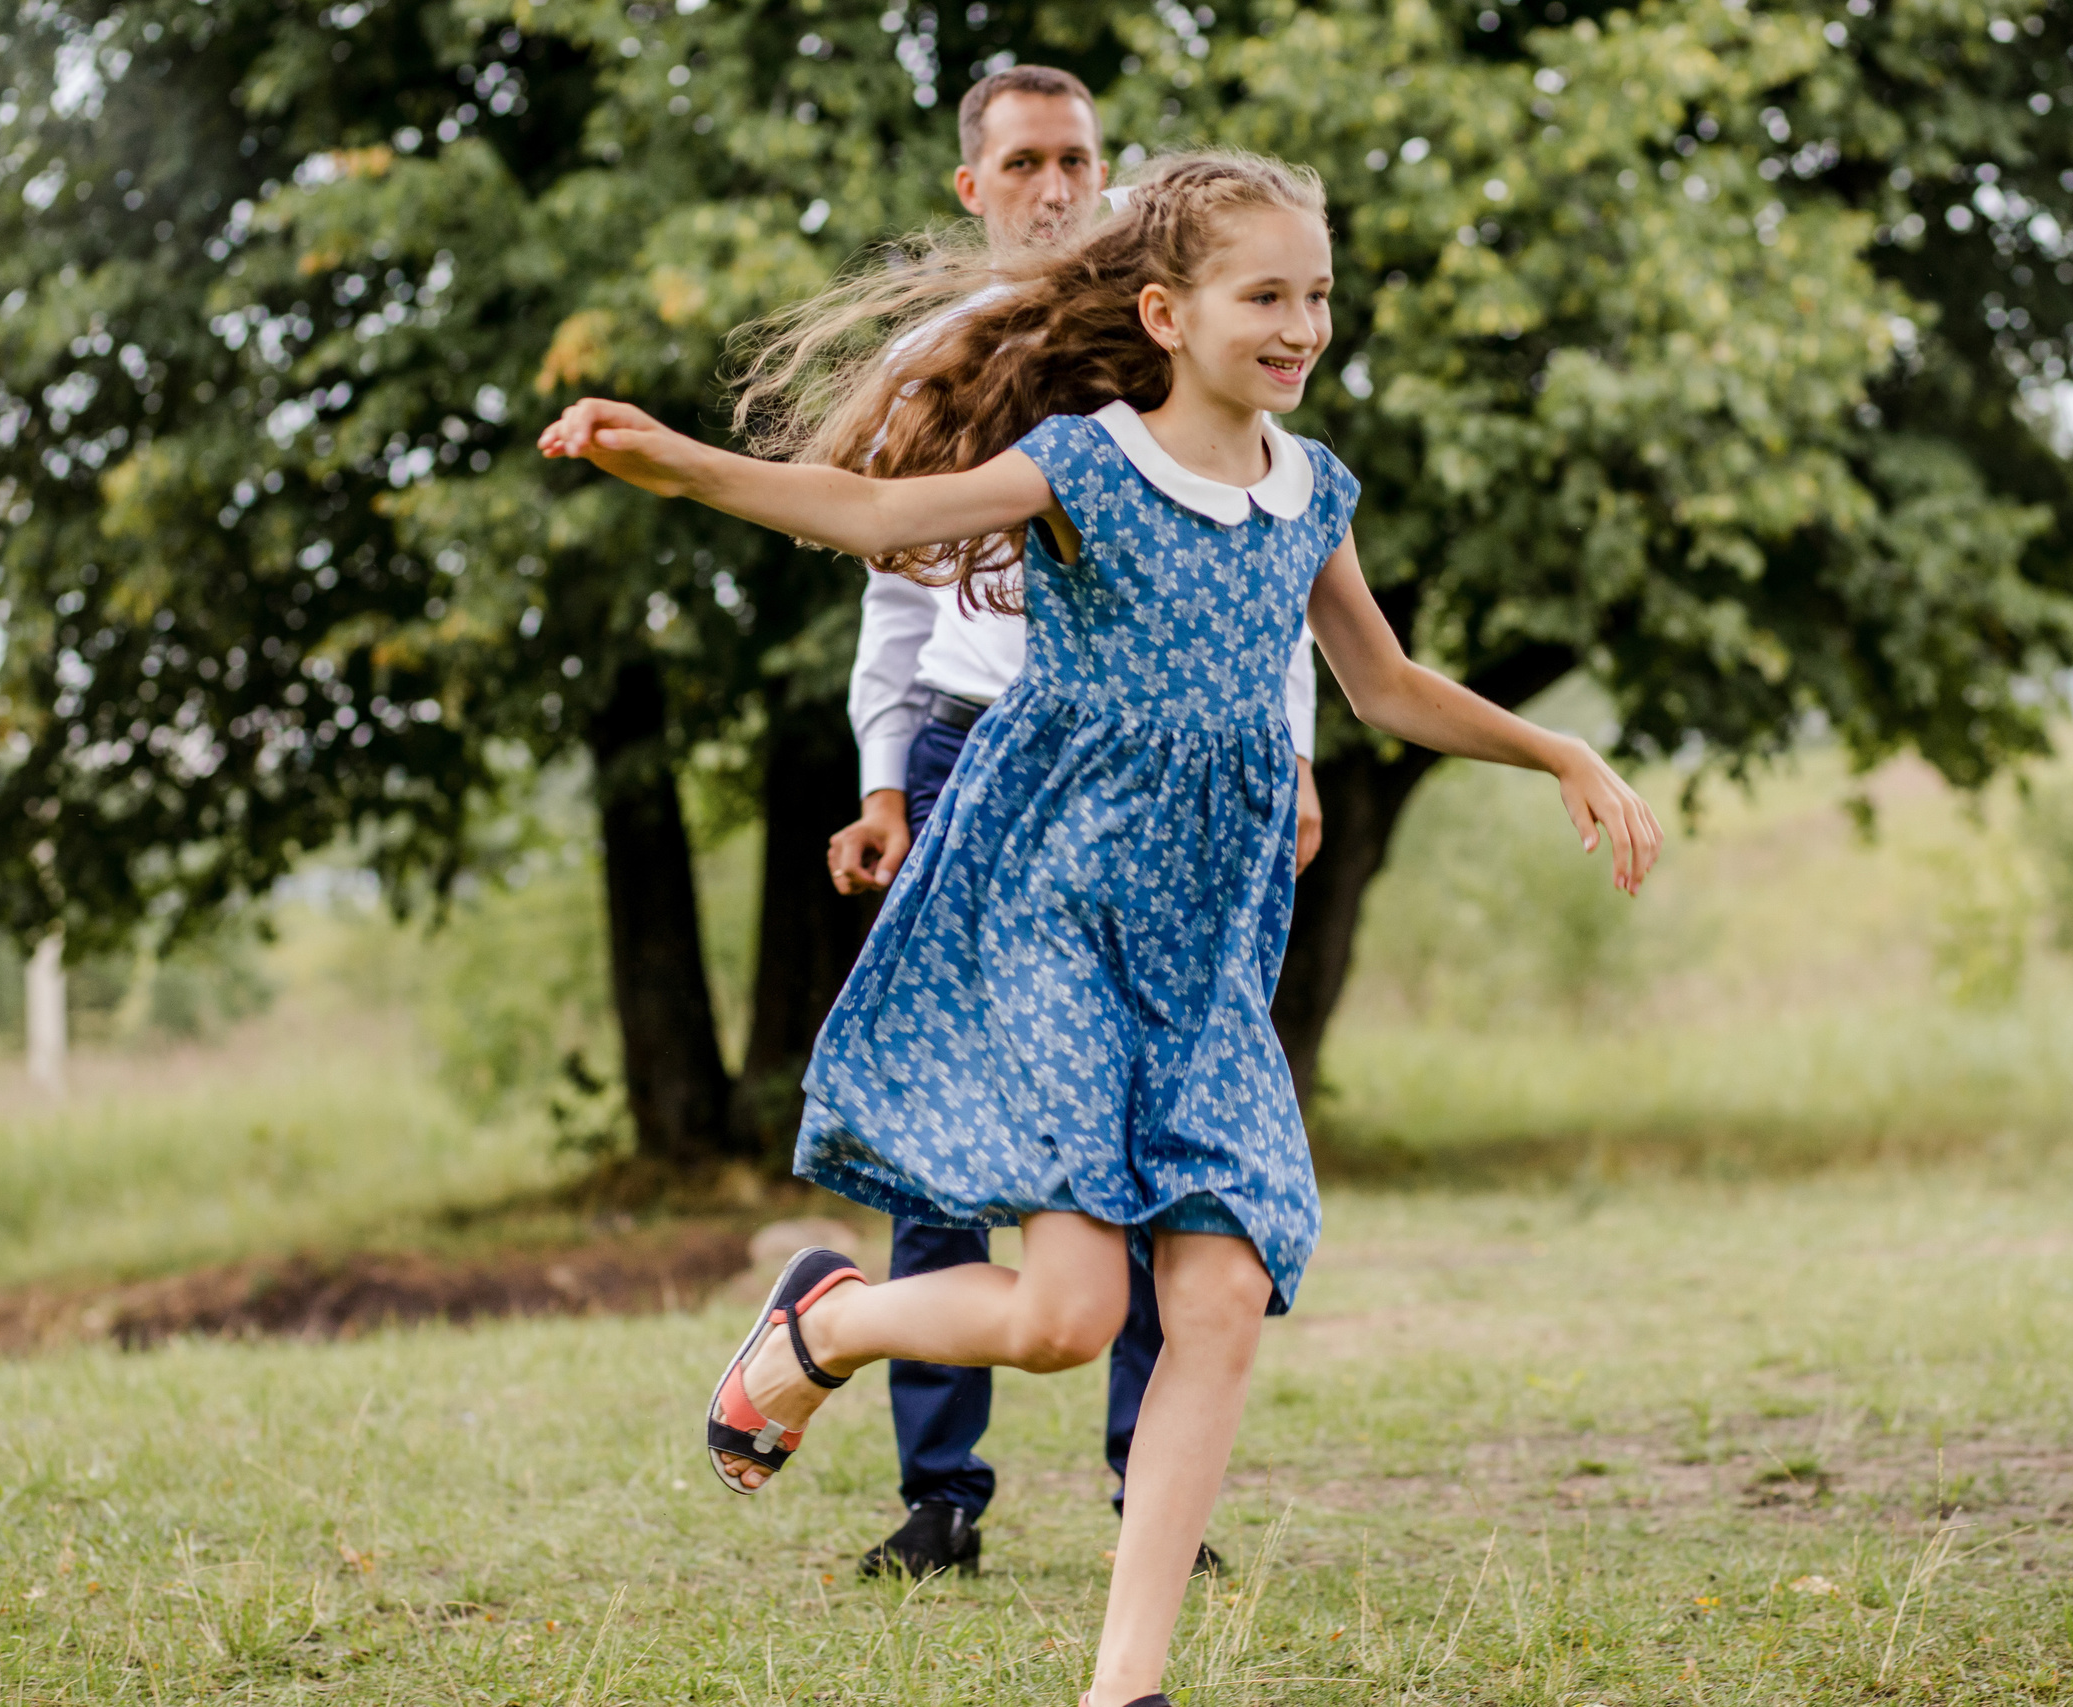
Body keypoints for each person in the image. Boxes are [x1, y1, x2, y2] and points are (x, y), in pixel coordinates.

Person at [541, 148, 1661, 1707]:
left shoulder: (1312, 492)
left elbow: (1387, 685)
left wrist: (1558, 750)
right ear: (1166, 314)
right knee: (1073, 1318)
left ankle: (1122, 1689)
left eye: (1319, 295)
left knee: (1218, 1294)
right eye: (1265, 296)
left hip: (1206, 946)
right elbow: (875, 511)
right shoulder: (1087, 465)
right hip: (1054, 909)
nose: (1301, 325)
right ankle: (830, 1325)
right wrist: (684, 466)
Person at [826, 64, 1324, 1583]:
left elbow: (1257, 564)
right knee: (959, 1141)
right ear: (973, 185)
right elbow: (892, 576)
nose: (1056, 185)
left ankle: (1141, 1481)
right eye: (1026, 162)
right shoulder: (954, 358)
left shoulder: (1193, 335)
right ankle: (940, 1492)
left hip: (1176, 786)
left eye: (1079, 158)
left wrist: (1296, 756)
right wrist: (886, 776)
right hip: (984, 754)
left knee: (1165, 1140)